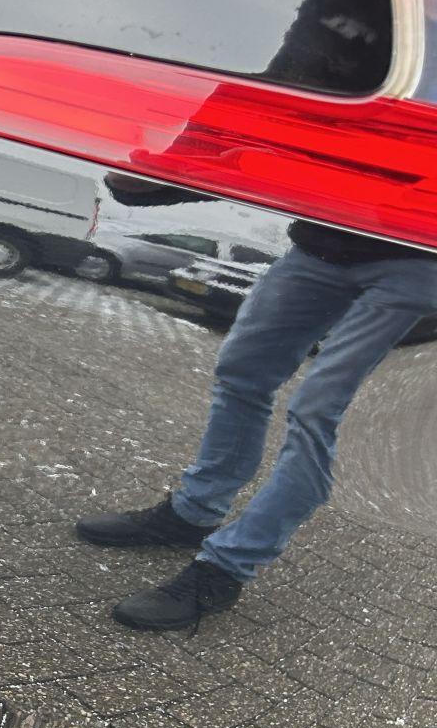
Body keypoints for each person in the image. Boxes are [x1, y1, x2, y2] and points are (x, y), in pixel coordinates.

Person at [78, 236, 437, 630]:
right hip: (322, 244)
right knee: (241, 373)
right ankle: (193, 513)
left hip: (419, 264)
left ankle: (226, 567)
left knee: (318, 412)